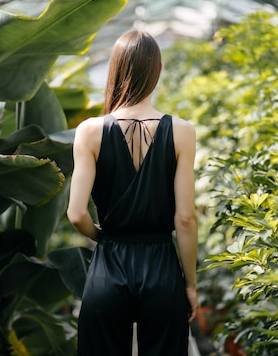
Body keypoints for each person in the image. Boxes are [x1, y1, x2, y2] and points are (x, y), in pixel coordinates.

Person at [66, 29, 198, 355]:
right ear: (159, 70)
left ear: (115, 69)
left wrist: (104, 237)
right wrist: (191, 285)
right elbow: (185, 219)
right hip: (162, 268)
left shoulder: (90, 132)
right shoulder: (181, 132)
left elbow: (76, 214)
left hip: (109, 266)